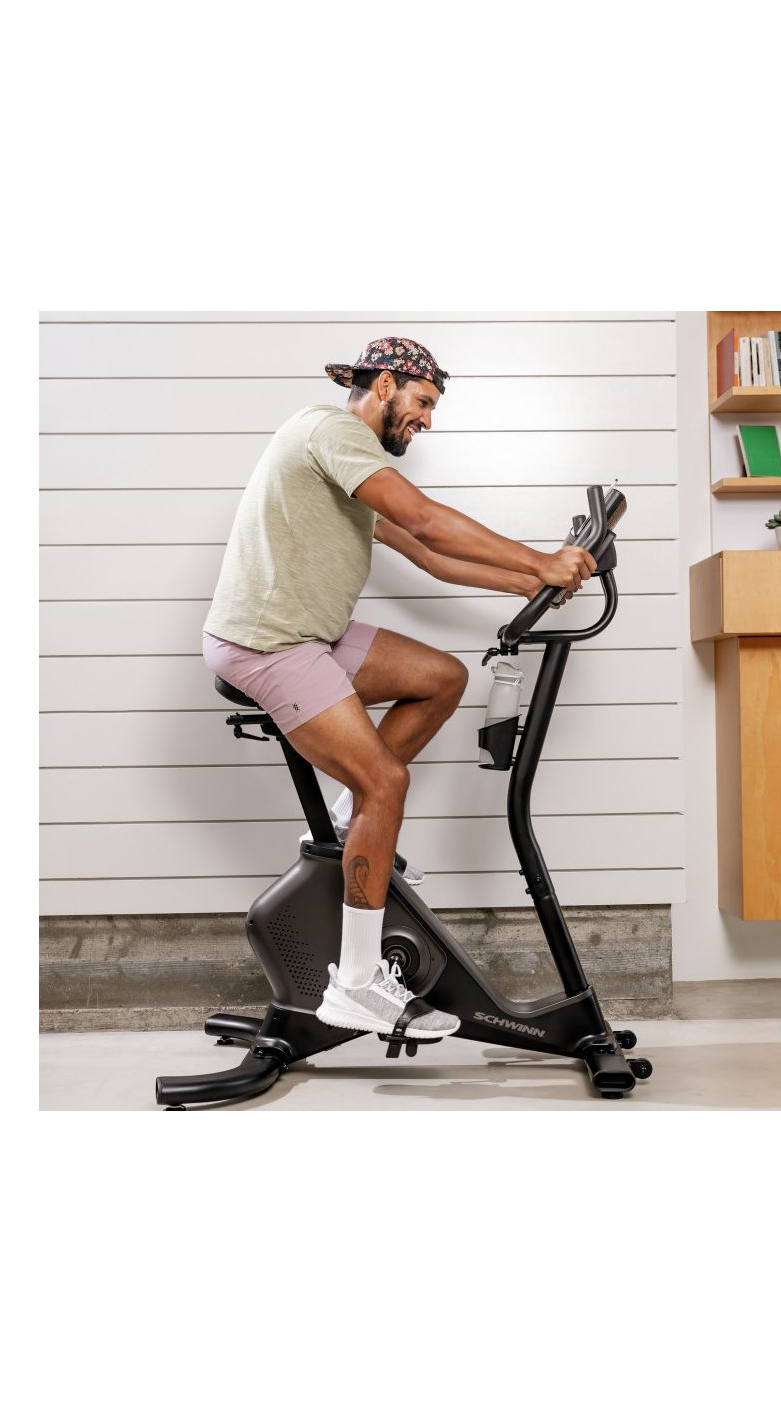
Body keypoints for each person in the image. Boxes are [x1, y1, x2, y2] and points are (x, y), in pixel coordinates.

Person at [202, 337, 596, 1042]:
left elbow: (429, 555)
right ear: (384, 385)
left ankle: (344, 824)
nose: (427, 420)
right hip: (268, 641)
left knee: (441, 677)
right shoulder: (331, 431)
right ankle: (355, 983)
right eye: (423, 402)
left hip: (310, 634)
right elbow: (424, 519)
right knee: (385, 783)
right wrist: (541, 560)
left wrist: (528, 582)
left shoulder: (349, 466)